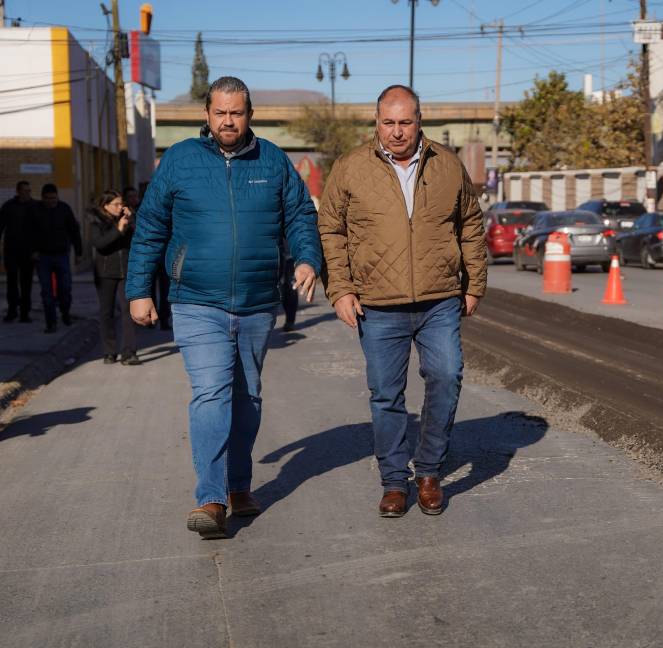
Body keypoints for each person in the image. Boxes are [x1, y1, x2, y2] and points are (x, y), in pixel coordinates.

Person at [126, 76, 322, 539]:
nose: (228, 120)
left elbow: (299, 216)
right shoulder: (180, 160)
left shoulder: (272, 160)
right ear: (207, 115)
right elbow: (151, 225)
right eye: (220, 112)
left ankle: (238, 487)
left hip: (257, 302)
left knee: (248, 397)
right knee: (212, 391)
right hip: (197, 300)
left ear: (249, 114)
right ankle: (211, 498)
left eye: (236, 112)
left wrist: (309, 258)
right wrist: (138, 290)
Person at [318, 84, 487, 518]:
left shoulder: (447, 165)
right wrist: (340, 289)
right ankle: (395, 482)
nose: (397, 132)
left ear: (419, 121)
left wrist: (473, 285)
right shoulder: (351, 167)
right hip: (377, 303)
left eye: (405, 122)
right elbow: (330, 230)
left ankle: (428, 471)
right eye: (388, 122)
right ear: (376, 122)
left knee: (447, 376)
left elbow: (470, 223)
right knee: (386, 395)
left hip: (439, 300)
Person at [90, 190, 140, 365]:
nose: (120, 208)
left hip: (126, 270)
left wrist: (131, 220)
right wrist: (118, 230)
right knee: (107, 311)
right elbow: (100, 244)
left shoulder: (127, 219)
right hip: (105, 272)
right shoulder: (96, 222)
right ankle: (109, 351)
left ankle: (129, 352)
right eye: (116, 205)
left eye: (121, 204)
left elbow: (139, 237)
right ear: (106, 206)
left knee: (128, 310)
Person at [33, 183, 82, 334]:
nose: (51, 201)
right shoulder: (36, 210)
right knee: (47, 292)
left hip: (61, 255)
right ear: (43, 198)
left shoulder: (64, 209)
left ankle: (65, 313)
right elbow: (29, 233)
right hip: (43, 257)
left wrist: (79, 253)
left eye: (54, 198)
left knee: (65, 288)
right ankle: (51, 323)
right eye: (48, 199)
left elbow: (74, 231)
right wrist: (33, 251)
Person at [127, 185, 171, 330]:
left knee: (165, 289)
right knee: (149, 287)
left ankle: (164, 318)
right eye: (130, 196)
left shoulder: (163, 208)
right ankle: (150, 316)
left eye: (135, 196)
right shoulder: (130, 212)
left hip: (164, 254)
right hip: (146, 256)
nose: (134, 199)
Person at [0, 180, 37, 323]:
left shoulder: (35, 206)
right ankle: (12, 311)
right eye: (25, 190)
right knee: (12, 281)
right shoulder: (8, 207)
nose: (27, 193)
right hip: (11, 250)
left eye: (29, 191)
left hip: (29, 252)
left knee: (26, 283)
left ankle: (24, 313)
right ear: (18, 191)